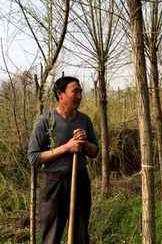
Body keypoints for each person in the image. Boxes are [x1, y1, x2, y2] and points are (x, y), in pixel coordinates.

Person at [28, 76, 99, 244]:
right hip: (54, 184)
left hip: (80, 181)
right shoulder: (46, 121)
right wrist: (66, 148)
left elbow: (95, 151)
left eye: (80, 91)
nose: (80, 96)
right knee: (51, 235)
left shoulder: (84, 120)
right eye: (75, 91)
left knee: (80, 235)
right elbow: (34, 157)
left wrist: (84, 143)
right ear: (60, 94)